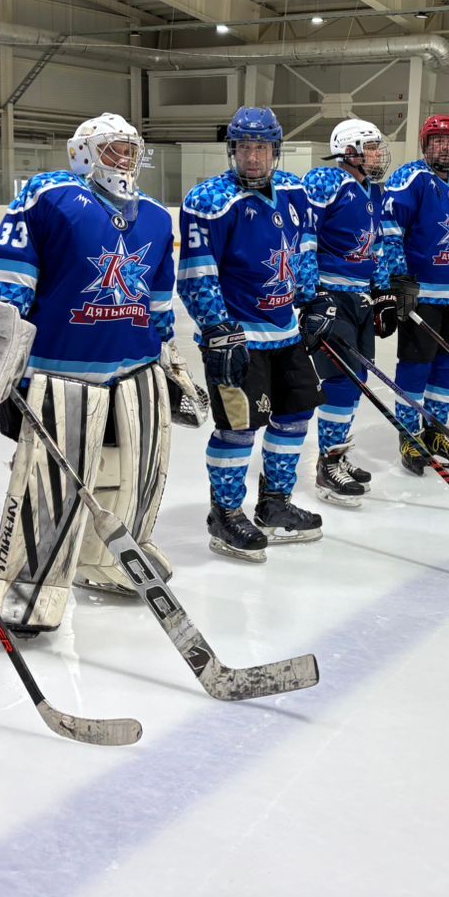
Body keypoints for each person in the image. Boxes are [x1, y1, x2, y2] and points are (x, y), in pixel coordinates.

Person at [0, 113, 191, 632]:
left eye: (131, 149)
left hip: (136, 370)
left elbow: (158, 305)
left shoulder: (158, 216)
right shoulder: (47, 196)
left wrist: (171, 360)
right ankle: (25, 586)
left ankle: (113, 559)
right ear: (84, 152)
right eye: (113, 148)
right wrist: (2, 368)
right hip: (59, 370)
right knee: (49, 482)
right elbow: (4, 285)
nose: (125, 159)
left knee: (133, 474)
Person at [177, 106, 331, 563]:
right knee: (238, 431)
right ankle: (224, 513)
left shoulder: (294, 192)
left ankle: (274, 503)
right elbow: (196, 275)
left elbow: (302, 251)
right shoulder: (209, 200)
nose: (253, 157)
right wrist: (218, 331)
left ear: (275, 151)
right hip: (238, 337)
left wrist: (313, 298)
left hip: (285, 332)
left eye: (262, 147)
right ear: (233, 150)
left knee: (294, 418)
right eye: (244, 147)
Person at [380, 114, 449, 476]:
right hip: (423, 294)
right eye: (436, 142)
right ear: (425, 146)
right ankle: (409, 433)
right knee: (415, 365)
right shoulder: (410, 178)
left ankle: (435, 429)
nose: (444, 147)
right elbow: (390, 231)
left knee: (447, 365)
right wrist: (399, 277)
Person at [300, 119, 394, 506]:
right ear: (349, 150)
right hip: (331, 294)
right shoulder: (327, 180)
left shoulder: (371, 189)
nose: (377, 154)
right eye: (369, 147)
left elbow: (378, 247)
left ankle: (337, 450)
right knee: (339, 380)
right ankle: (328, 464)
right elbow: (302, 236)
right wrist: (310, 295)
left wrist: (384, 290)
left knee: (357, 379)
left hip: (360, 297)